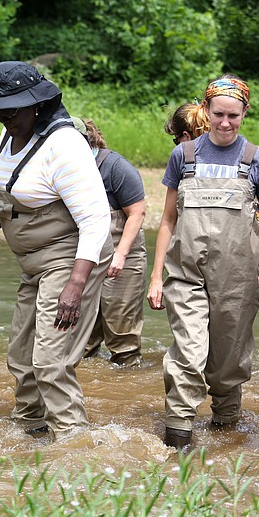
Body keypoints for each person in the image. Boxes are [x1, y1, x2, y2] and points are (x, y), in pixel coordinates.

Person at [0, 61, 113, 439]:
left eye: (10, 110)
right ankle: (30, 432)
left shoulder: (63, 145)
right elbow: (5, 196)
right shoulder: (11, 133)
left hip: (69, 259)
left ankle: (73, 443)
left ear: (36, 104)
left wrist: (75, 288)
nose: (2, 117)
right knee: (21, 355)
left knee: (50, 360)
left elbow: (95, 220)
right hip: (32, 263)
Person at [147, 75, 259, 449]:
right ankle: (177, 439)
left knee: (226, 365)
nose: (226, 123)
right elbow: (168, 221)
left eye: (234, 116)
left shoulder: (257, 161)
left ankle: (227, 431)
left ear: (244, 113)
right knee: (189, 355)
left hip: (239, 280)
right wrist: (156, 276)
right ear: (206, 111)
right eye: (219, 114)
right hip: (186, 274)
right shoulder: (184, 155)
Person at [76, 118, 147, 367]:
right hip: (85, 259)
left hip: (122, 257)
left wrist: (120, 255)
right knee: (80, 340)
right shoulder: (66, 168)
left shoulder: (116, 167)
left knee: (122, 338)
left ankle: (127, 390)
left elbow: (137, 213)